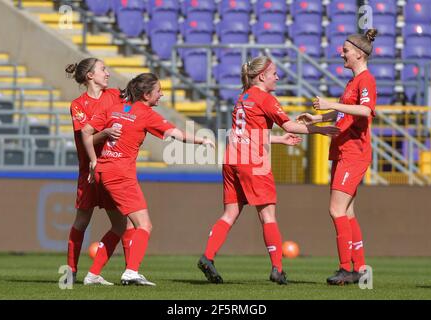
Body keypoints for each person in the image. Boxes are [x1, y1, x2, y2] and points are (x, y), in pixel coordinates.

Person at [197, 55, 340, 285]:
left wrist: (280, 141)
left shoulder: (242, 98)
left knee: (229, 213)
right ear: (262, 76)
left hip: (231, 158)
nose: (278, 77)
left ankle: (208, 257)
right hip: (253, 162)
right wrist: (319, 130)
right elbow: (291, 125)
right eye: (274, 73)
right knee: (268, 216)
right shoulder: (266, 98)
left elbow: (249, 134)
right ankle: (277, 269)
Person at [81, 73, 215, 286]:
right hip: (120, 175)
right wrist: (202, 140)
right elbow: (176, 134)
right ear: (146, 94)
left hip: (103, 172)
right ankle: (131, 271)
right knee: (145, 225)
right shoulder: (146, 114)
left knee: (120, 227)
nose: (161, 94)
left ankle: (93, 274)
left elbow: (86, 132)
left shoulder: (115, 108)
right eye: (158, 91)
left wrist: (94, 160)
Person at [297, 29, 378, 285]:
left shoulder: (366, 80)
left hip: (354, 153)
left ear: (359, 54)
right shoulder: (353, 82)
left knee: (335, 209)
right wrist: (319, 118)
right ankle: (361, 269)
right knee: (348, 211)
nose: (341, 53)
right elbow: (346, 114)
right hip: (344, 151)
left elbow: (365, 110)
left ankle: (346, 268)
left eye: (345, 50)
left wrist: (331, 104)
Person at [66, 58, 135, 285]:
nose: (107, 72)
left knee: (123, 222)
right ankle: (71, 270)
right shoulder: (78, 105)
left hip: (111, 170)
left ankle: (130, 272)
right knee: (82, 220)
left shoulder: (115, 94)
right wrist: (105, 133)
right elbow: (87, 137)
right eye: (103, 69)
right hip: (89, 171)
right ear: (90, 76)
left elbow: (133, 100)